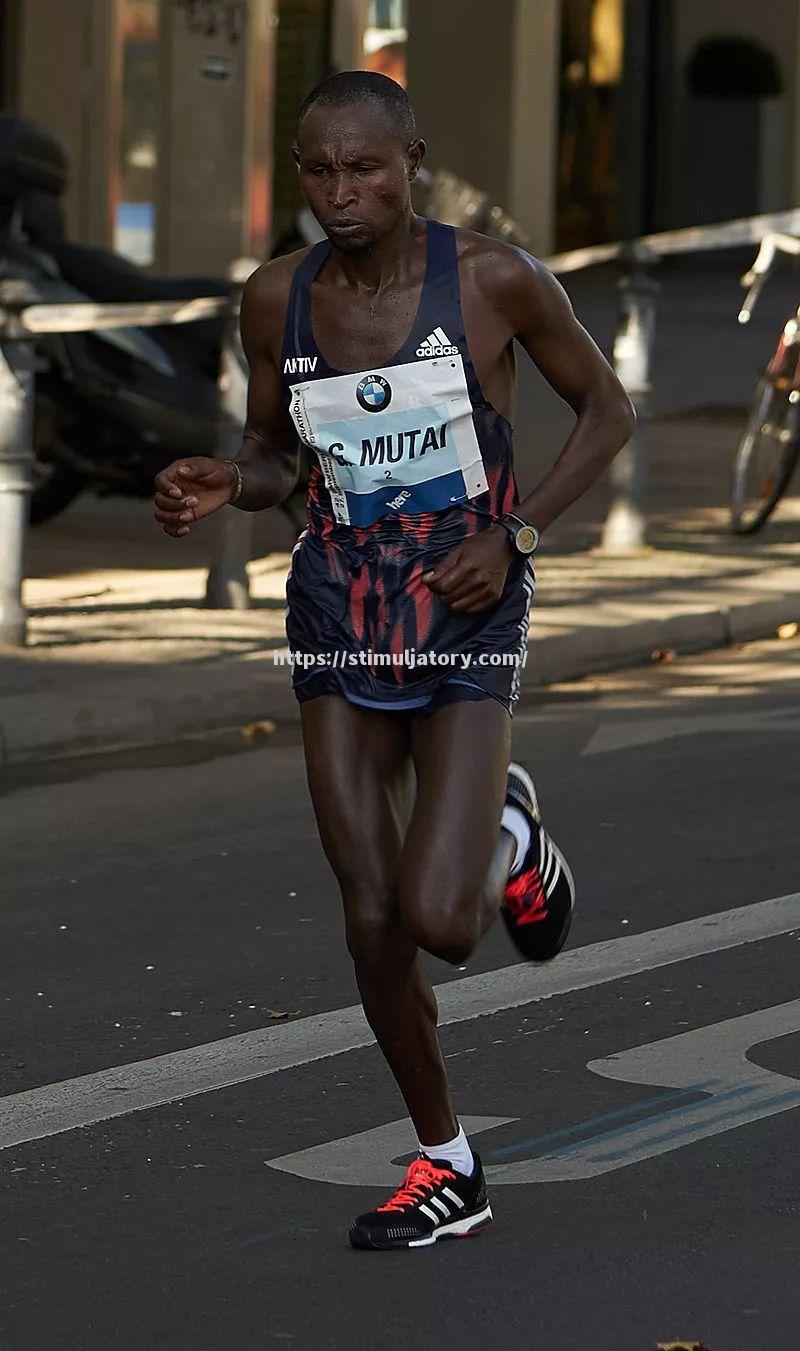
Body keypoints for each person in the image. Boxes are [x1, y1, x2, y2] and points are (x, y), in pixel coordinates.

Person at [153, 71, 634, 1251]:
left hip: (464, 601)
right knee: (370, 917)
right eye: (317, 171)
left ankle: (507, 830)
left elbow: (608, 410)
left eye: (363, 168)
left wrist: (512, 533)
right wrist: (231, 480)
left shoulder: (492, 281)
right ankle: (445, 1163)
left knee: (445, 920)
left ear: (411, 157)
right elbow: (275, 457)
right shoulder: (278, 299)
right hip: (335, 605)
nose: (339, 193)